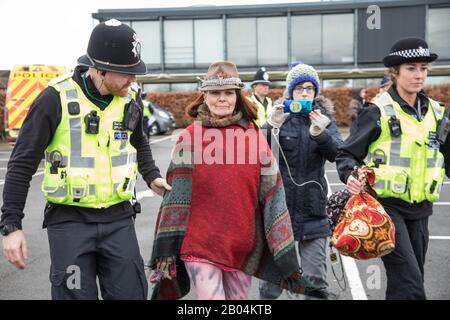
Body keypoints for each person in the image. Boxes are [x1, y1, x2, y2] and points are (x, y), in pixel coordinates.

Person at [0, 19, 171, 300]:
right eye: (127, 73)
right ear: (101, 69)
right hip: (69, 225)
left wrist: (151, 175)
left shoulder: (131, 100)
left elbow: (139, 141)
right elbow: (21, 164)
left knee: (131, 294)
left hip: (119, 220)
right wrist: (11, 226)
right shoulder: (54, 99)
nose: (134, 80)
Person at [149, 61, 317, 300]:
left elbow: (273, 193)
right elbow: (175, 197)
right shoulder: (189, 137)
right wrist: (166, 249)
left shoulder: (253, 136)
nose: (222, 99)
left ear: (237, 96)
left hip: (241, 245)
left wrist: (282, 247)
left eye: (229, 93)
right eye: (215, 93)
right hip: (199, 244)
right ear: (204, 96)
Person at [336, 37, 450, 299]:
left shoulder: (438, 113)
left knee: (409, 280)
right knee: (410, 282)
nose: (419, 75)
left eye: (423, 68)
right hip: (387, 209)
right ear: (395, 72)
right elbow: (346, 153)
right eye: (411, 68)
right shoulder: (376, 111)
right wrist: (350, 174)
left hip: (421, 211)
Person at [259, 62, 343, 300]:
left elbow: (338, 154)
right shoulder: (280, 117)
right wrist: (269, 127)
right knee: (271, 285)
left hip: (313, 211)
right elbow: (257, 154)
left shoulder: (324, 119)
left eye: (309, 88)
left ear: (316, 92)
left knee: (315, 282)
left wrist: (322, 134)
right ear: (290, 92)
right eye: (299, 88)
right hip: (279, 210)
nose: (304, 93)